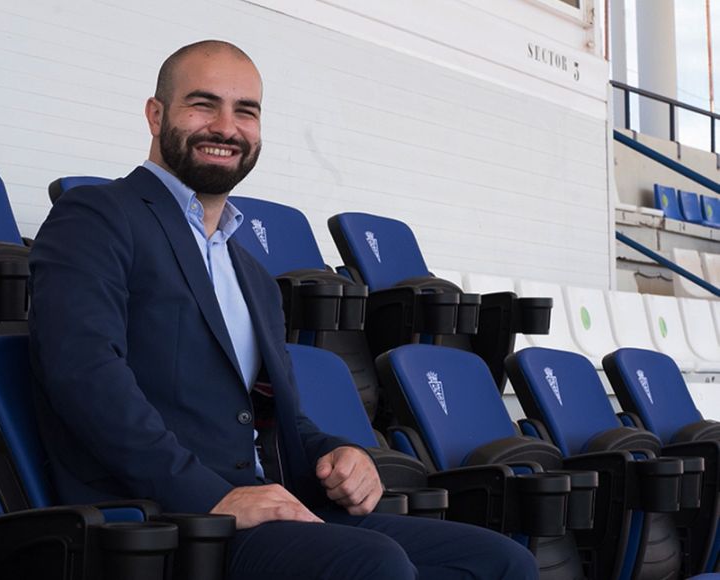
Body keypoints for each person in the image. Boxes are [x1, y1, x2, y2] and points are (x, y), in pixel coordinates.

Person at [28, 39, 539, 579]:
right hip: (166, 520)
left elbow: (270, 413)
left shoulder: (251, 273)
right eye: (203, 104)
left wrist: (340, 455)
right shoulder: (96, 216)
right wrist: (213, 497)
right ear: (156, 115)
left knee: (500, 562)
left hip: (273, 507)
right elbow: (83, 374)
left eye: (245, 111)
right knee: (373, 565)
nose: (226, 127)